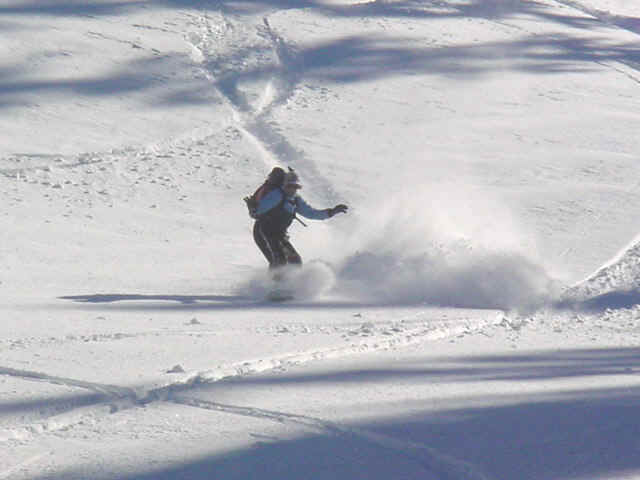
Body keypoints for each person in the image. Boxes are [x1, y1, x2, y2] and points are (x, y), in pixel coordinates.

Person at [253, 169, 348, 270]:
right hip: (263, 232)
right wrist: (255, 210)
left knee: (295, 261)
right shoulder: (276, 195)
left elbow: (311, 213)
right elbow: (258, 211)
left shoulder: (295, 200)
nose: (292, 189)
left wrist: (331, 212)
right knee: (279, 261)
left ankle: (288, 284)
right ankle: (273, 284)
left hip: (279, 234)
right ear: (284, 185)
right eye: (289, 186)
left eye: (295, 187)